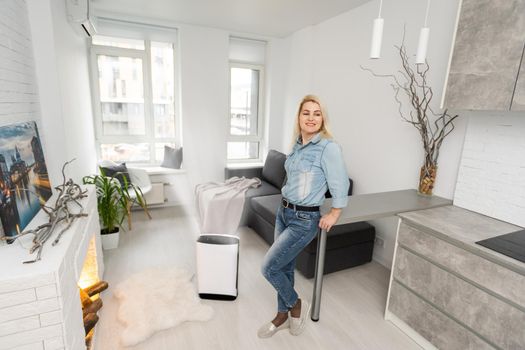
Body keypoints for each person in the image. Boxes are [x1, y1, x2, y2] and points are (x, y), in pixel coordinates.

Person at [258, 95, 350, 338]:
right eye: (306, 113)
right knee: (284, 268)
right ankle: (282, 316)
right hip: (283, 212)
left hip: (304, 220)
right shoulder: (298, 145)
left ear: (323, 119)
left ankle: (296, 303)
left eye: (316, 113)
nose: (311, 118)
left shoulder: (329, 148)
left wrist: (335, 212)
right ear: (298, 118)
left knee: (269, 268)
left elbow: (339, 181)